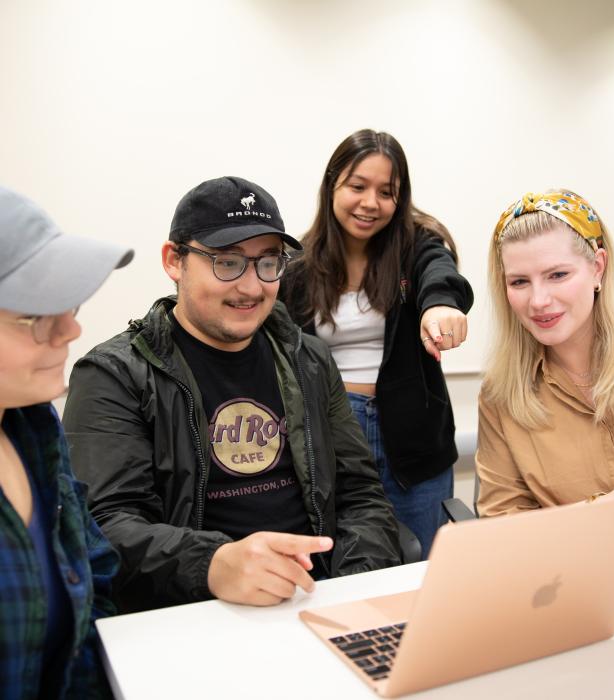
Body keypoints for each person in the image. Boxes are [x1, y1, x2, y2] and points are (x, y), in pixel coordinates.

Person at [62, 176, 401, 613]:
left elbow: (362, 496)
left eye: (267, 263)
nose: (251, 287)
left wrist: (348, 594)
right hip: (193, 610)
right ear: (174, 261)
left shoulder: (309, 359)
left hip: (315, 599)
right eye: (227, 263)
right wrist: (214, 564)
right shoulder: (115, 374)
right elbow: (105, 526)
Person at [280, 129, 474, 558]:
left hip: (412, 435)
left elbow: (439, 275)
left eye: (387, 192)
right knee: (342, 564)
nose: (371, 202)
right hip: (331, 432)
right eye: (357, 186)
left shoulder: (417, 246)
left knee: (423, 565)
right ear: (332, 185)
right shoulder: (297, 265)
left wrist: (440, 307)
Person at [0, 185, 133, 697]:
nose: (71, 328)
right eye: (35, 316)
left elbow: (93, 581)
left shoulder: (33, 426)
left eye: (68, 303)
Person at [477, 189, 614, 517]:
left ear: (597, 268)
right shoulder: (501, 395)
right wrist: (598, 513)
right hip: (575, 567)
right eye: (519, 282)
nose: (538, 300)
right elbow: (502, 524)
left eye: (558, 275)